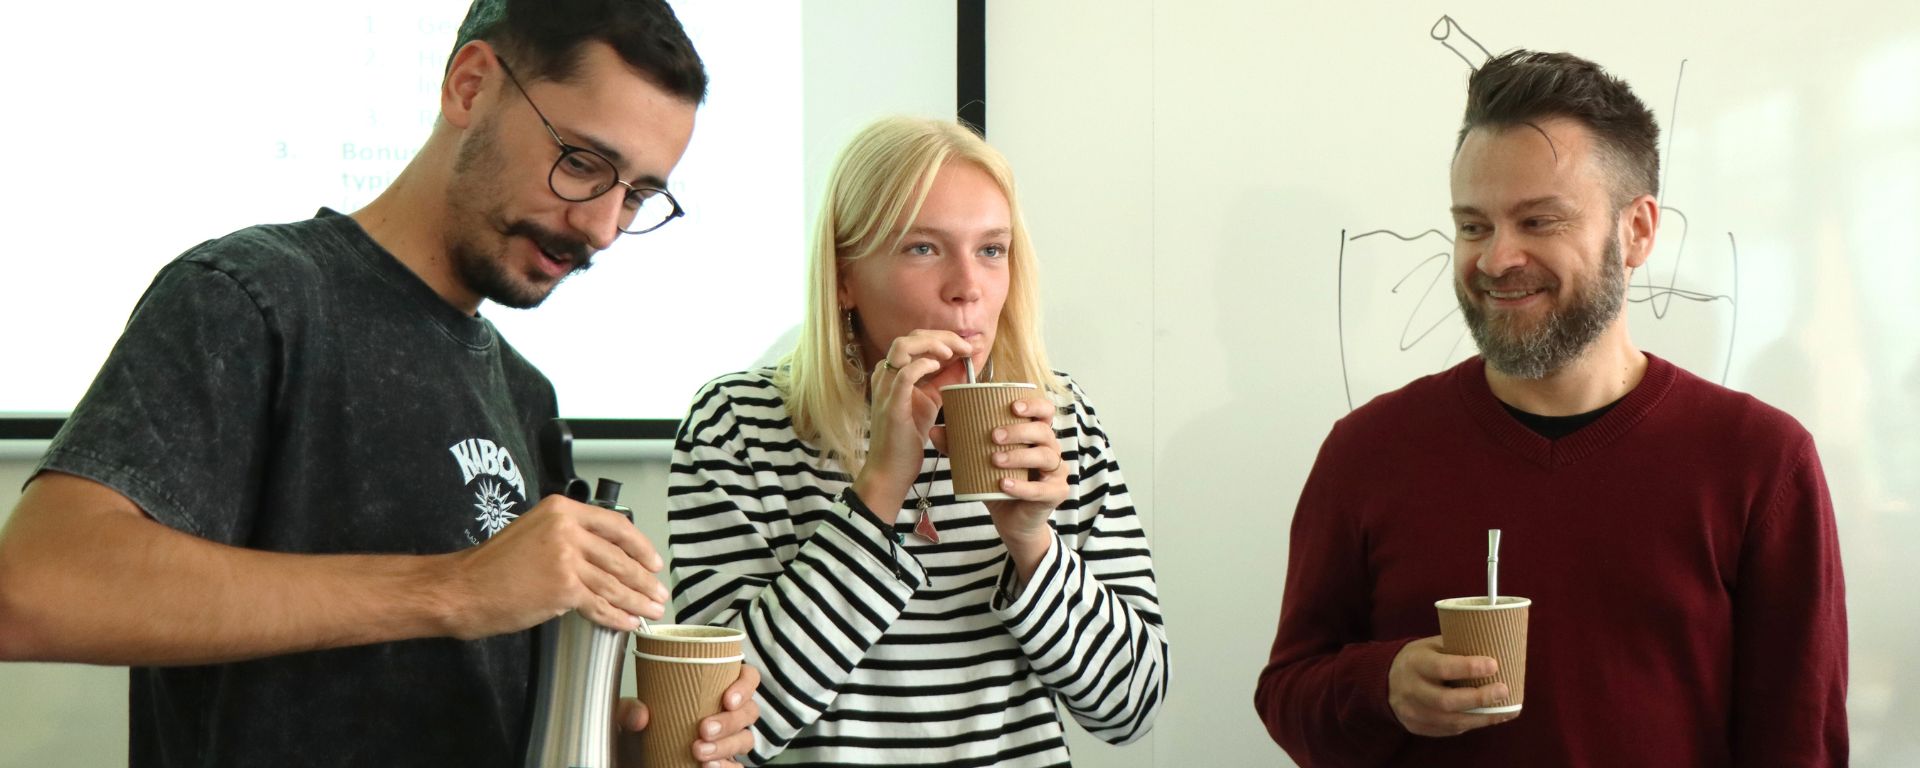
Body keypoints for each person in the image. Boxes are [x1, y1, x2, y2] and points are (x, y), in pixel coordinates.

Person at [0, 1, 760, 765]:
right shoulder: (251, 298)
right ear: (470, 86)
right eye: (584, 163)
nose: (601, 228)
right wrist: (455, 589)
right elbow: (35, 590)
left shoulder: (526, 395)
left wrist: (619, 745)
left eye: (636, 196)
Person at [1254, 50, 1847, 766]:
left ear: (1637, 231)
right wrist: (1383, 687)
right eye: (1474, 226)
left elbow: (1799, 740)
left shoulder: (1759, 461)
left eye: (1538, 221)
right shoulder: (1369, 451)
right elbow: (1286, 693)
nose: (1496, 259)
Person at [664, 116, 1169, 766]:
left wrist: (1032, 544)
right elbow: (719, 730)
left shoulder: (1057, 419)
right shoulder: (738, 423)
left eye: (992, 250)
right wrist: (879, 491)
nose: (968, 287)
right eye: (923, 248)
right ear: (844, 277)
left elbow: (1131, 708)